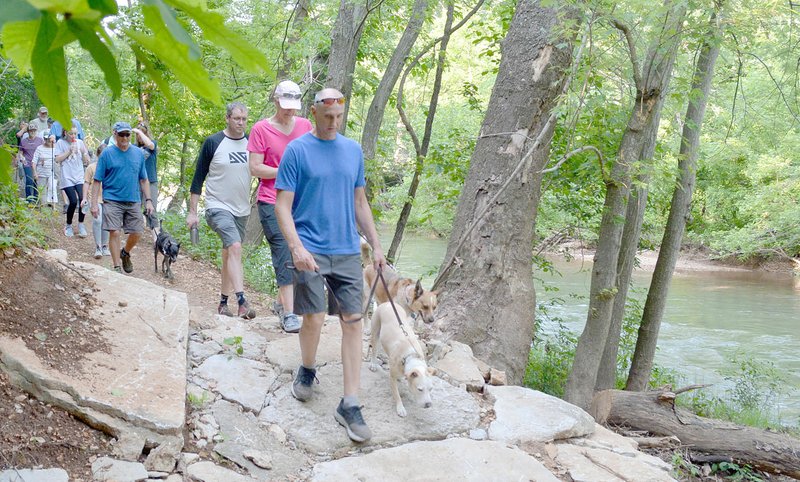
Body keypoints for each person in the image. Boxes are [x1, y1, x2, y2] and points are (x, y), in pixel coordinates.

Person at [275, 88, 386, 443]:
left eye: (339, 118)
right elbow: (281, 205)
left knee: (355, 321)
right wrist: (295, 247)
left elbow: (360, 202)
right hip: (309, 248)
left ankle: (350, 403)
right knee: (314, 316)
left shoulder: (353, 151)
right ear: (314, 112)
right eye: (327, 118)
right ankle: (307, 369)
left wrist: (377, 244)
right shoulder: (297, 151)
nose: (333, 124)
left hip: (347, 250)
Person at [248, 80, 312, 333]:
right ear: (275, 101)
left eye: (293, 106)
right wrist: (286, 172)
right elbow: (255, 168)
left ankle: (280, 302)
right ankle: (289, 312)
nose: (289, 111)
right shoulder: (261, 129)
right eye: (285, 106)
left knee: (304, 250)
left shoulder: (306, 126)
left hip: (301, 202)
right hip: (271, 200)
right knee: (285, 251)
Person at [187, 103, 257, 319]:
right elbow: (198, 178)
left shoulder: (251, 144)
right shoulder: (213, 142)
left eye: (244, 119)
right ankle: (243, 302)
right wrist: (192, 212)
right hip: (217, 207)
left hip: (242, 209)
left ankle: (223, 303)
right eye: (237, 118)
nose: (241, 123)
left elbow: (261, 170)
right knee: (235, 247)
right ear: (227, 118)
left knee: (230, 253)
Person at [91, 122, 153, 273]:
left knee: (138, 231)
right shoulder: (107, 154)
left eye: (127, 134)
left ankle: (125, 253)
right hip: (112, 199)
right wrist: (93, 204)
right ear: (115, 134)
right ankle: (117, 266)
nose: (125, 137)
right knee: (115, 231)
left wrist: (149, 201)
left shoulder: (138, 153)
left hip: (133, 199)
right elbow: (97, 180)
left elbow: (144, 179)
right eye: (122, 134)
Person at [55, 125, 90, 237]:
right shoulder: (60, 143)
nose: (73, 136)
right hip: (67, 176)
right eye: (71, 133)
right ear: (65, 133)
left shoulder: (79, 142)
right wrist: (69, 151)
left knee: (83, 200)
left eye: (75, 133)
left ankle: (81, 224)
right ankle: (69, 225)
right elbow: (57, 159)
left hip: (79, 176)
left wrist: (86, 157)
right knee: (73, 201)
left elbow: (86, 156)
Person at [81, 144, 110, 259]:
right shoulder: (91, 167)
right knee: (98, 221)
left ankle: (105, 246)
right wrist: (84, 198)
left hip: (108, 199)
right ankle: (98, 247)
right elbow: (86, 183)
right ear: (98, 155)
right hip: (95, 198)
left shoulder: (111, 167)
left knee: (106, 223)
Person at [134, 124, 158, 223]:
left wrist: (139, 132)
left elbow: (150, 145)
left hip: (151, 181)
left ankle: (155, 235)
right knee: (134, 209)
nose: (139, 137)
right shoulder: (134, 147)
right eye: (138, 135)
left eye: (142, 134)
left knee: (151, 211)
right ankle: (135, 232)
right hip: (137, 181)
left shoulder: (153, 144)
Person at [16, 123, 43, 204]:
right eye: (31, 130)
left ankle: (36, 198)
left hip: (37, 163)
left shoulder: (40, 140)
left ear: (36, 131)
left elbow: (43, 150)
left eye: (34, 130)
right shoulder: (24, 141)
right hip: (27, 163)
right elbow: (20, 152)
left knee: (36, 180)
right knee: (29, 180)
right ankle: (29, 199)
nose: (33, 132)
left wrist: (43, 160)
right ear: (28, 131)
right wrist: (21, 158)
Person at [33, 130, 58, 207]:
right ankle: (43, 207)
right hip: (41, 172)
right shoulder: (39, 148)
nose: (48, 141)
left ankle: (53, 206)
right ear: (44, 139)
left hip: (52, 172)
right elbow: (34, 161)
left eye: (49, 139)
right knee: (42, 190)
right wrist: (35, 172)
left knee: (52, 188)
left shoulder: (56, 148)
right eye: (46, 139)